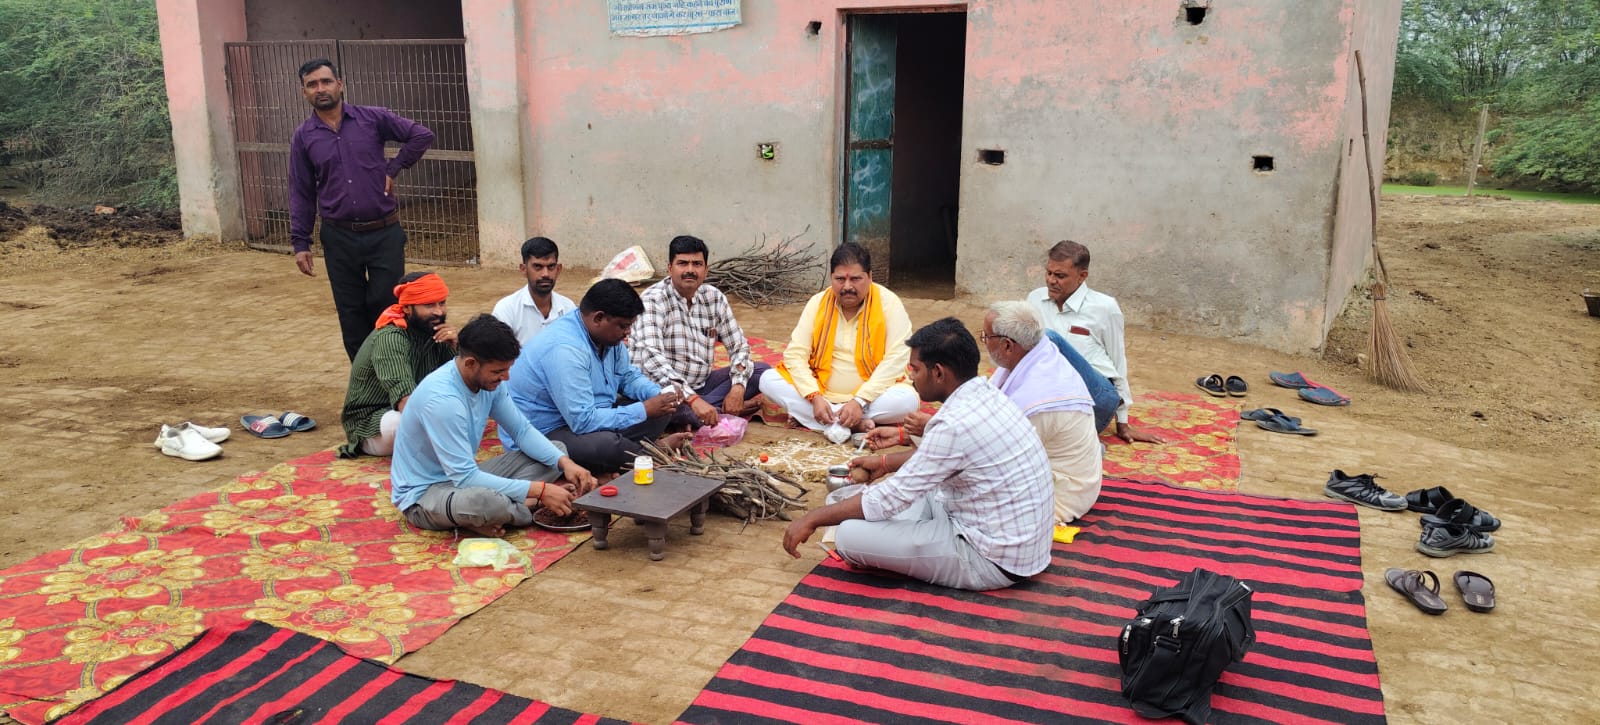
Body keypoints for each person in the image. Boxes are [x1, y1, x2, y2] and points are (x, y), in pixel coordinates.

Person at [782, 318, 1055, 591]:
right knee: (849, 502)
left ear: (938, 373)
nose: (910, 376)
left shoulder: (953, 425)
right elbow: (941, 461)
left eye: (915, 368)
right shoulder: (985, 394)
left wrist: (812, 518)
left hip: (989, 559)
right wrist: (885, 463)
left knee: (848, 535)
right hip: (1015, 541)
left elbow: (888, 499)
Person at [389, 314, 596, 538]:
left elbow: (521, 430)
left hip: (465, 478)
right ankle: (525, 508)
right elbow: (465, 478)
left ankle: (504, 510)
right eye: (498, 371)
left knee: (556, 450)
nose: (506, 378)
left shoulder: (489, 383)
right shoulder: (443, 401)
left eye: (508, 369)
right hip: (425, 495)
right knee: (484, 502)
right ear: (470, 363)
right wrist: (540, 491)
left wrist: (566, 464)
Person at [289, 58, 436, 361]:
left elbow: (421, 135)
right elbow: (301, 190)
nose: (321, 89)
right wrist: (300, 242)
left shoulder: (373, 119)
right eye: (312, 84)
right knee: (351, 311)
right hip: (339, 236)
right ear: (304, 92)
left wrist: (393, 168)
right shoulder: (304, 137)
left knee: (386, 306)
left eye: (326, 81)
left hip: (384, 232)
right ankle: (364, 381)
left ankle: (393, 370)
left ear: (339, 84)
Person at [506, 279, 684, 472]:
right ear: (598, 318)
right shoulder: (565, 350)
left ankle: (632, 454)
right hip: (547, 431)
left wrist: (659, 395)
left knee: (661, 412)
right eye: (623, 326)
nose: (628, 332)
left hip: (588, 415)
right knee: (606, 445)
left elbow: (627, 377)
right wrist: (643, 410)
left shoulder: (607, 338)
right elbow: (582, 421)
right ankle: (649, 454)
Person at [760, 242, 919, 433]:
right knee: (768, 380)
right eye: (840, 279)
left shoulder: (889, 304)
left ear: (869, 277)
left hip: (871, 396)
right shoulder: (818, 302)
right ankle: (851, 423)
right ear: (831, 278)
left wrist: (859, 401)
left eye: (855, 279)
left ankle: (829, 421)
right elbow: (795, 354)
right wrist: (814, 397)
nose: (847, 286)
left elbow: (897, 359)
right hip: (821, 393)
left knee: (907, 402)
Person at [1027, 240, 1164, 443]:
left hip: (1097, 396)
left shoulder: (1105, 307)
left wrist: (1123, 422)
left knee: (1048, 338)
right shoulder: (1035, 299)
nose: (1051, 280)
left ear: (1082, 276)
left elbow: (1118, 361)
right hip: (1055, 398)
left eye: (1060, 276)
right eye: (1048, 273)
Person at [980, 301, 1103, 523]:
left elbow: (994, 457)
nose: (985, 343)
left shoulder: (1035, 401)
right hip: (1058, 474)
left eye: (986, 337)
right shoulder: (1036, 353)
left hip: (1062, 496)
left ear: (1008, 345)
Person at [632, 235, 770, 429]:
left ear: (706, 270)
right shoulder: (653, 301)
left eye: (697, 264)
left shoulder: (713, 297)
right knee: (670, 409)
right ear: (669, 268)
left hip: (702, 383)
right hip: (663, 390)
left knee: (761, 371)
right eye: (682, 263)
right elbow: (653, 361)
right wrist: (694, 400)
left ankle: (712, 410)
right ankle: (714, 410)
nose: (690, 270)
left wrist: (738, 388)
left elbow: (738, 346)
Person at [338, 271, 458, 458]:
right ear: (408, 308)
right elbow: (407, 403)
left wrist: (458, 347)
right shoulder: (392, 337)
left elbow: (465, 381)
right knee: (409, 422)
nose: (438, 311)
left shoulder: (433, 330)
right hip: (374, 423)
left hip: (419, 407)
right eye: (428, 305)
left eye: (441, 303)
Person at [492, 236, 576, 345]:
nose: (545, 274)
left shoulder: (568, 308)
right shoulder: (507, 310)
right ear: (523, 269)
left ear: (558, 269)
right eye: (538, 267)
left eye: (551, 266)